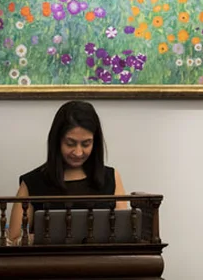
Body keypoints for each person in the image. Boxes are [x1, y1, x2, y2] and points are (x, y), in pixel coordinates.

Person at [8, 100, 127, 243]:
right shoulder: (32, 182)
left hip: (101, 263)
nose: (78, 152)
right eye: (70, 143)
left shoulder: (110, 177)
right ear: (57, 141)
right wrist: (43, 237)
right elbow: (13, 240)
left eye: (86, 144)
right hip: (48, 263)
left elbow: (123, 233)